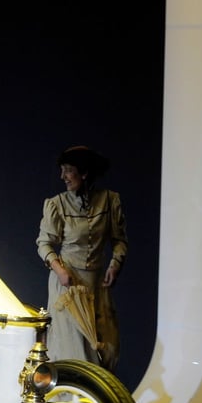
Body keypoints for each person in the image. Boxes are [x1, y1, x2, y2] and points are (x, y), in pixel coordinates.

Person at [36, 145, 127, 371]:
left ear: (84, 173)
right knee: (73, 351)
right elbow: (44, 242)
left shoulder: (109, 201)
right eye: (63, 171)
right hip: (68, 287)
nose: (63, 177)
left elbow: (119, 240)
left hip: (96, 286)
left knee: (106, 349)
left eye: (68, 170)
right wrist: (60, 270)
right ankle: (68, 402)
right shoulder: (57, 204)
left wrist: (115, 264)